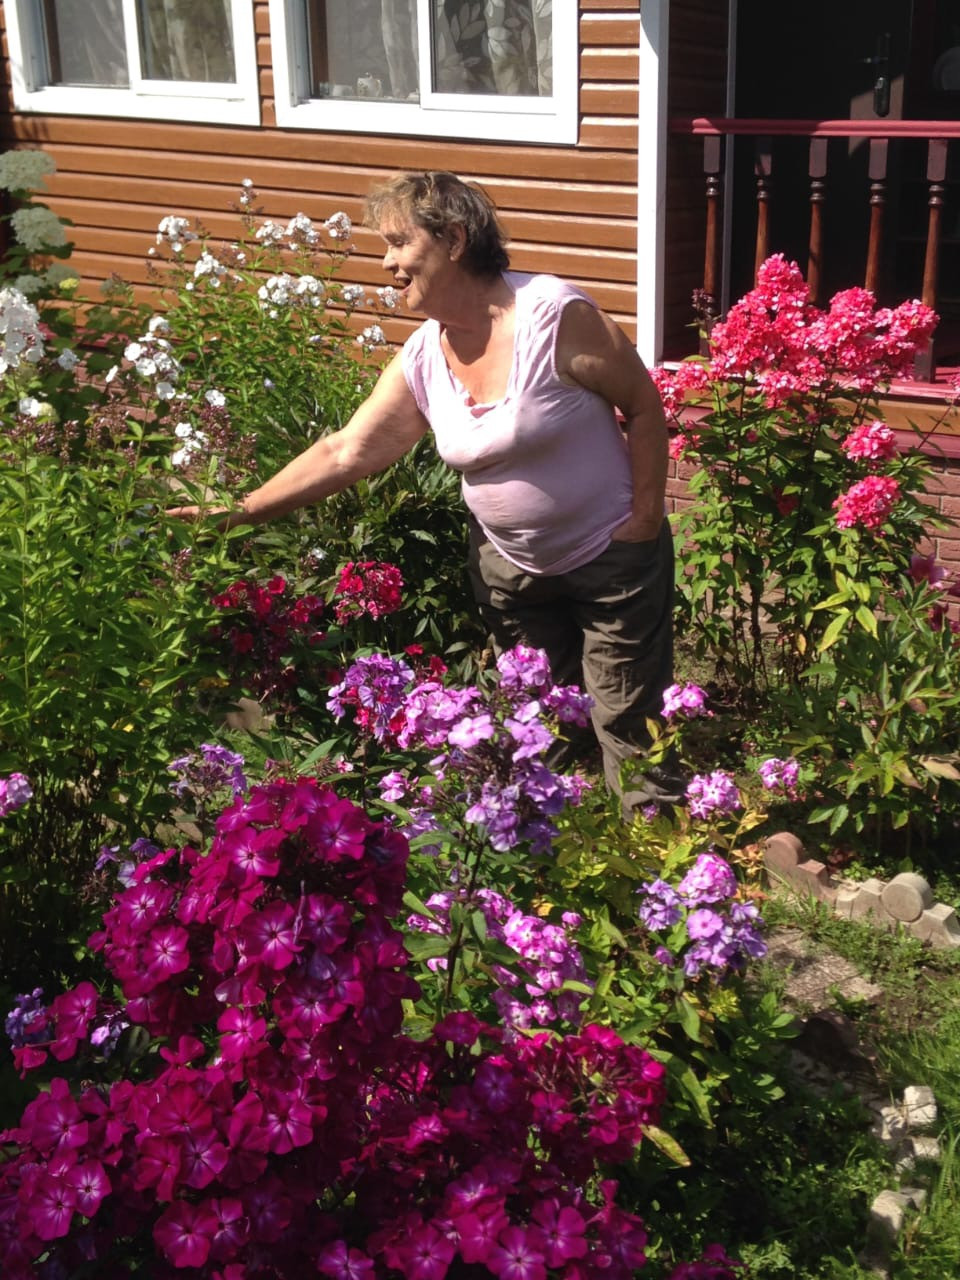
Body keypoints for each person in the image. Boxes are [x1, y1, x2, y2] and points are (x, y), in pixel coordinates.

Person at [173, 171, 679, 805]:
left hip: (610, 557)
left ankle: (659, 855)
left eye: (398, 244)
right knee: (536, 728)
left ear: (454, 241)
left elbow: (644, 406)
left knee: (629, 724)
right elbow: (347, 450)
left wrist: (644, 519)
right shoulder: (423, 355)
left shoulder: (555, 316)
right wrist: (239, 511)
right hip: (511, 572)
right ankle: (551, 854)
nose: (386, 263)